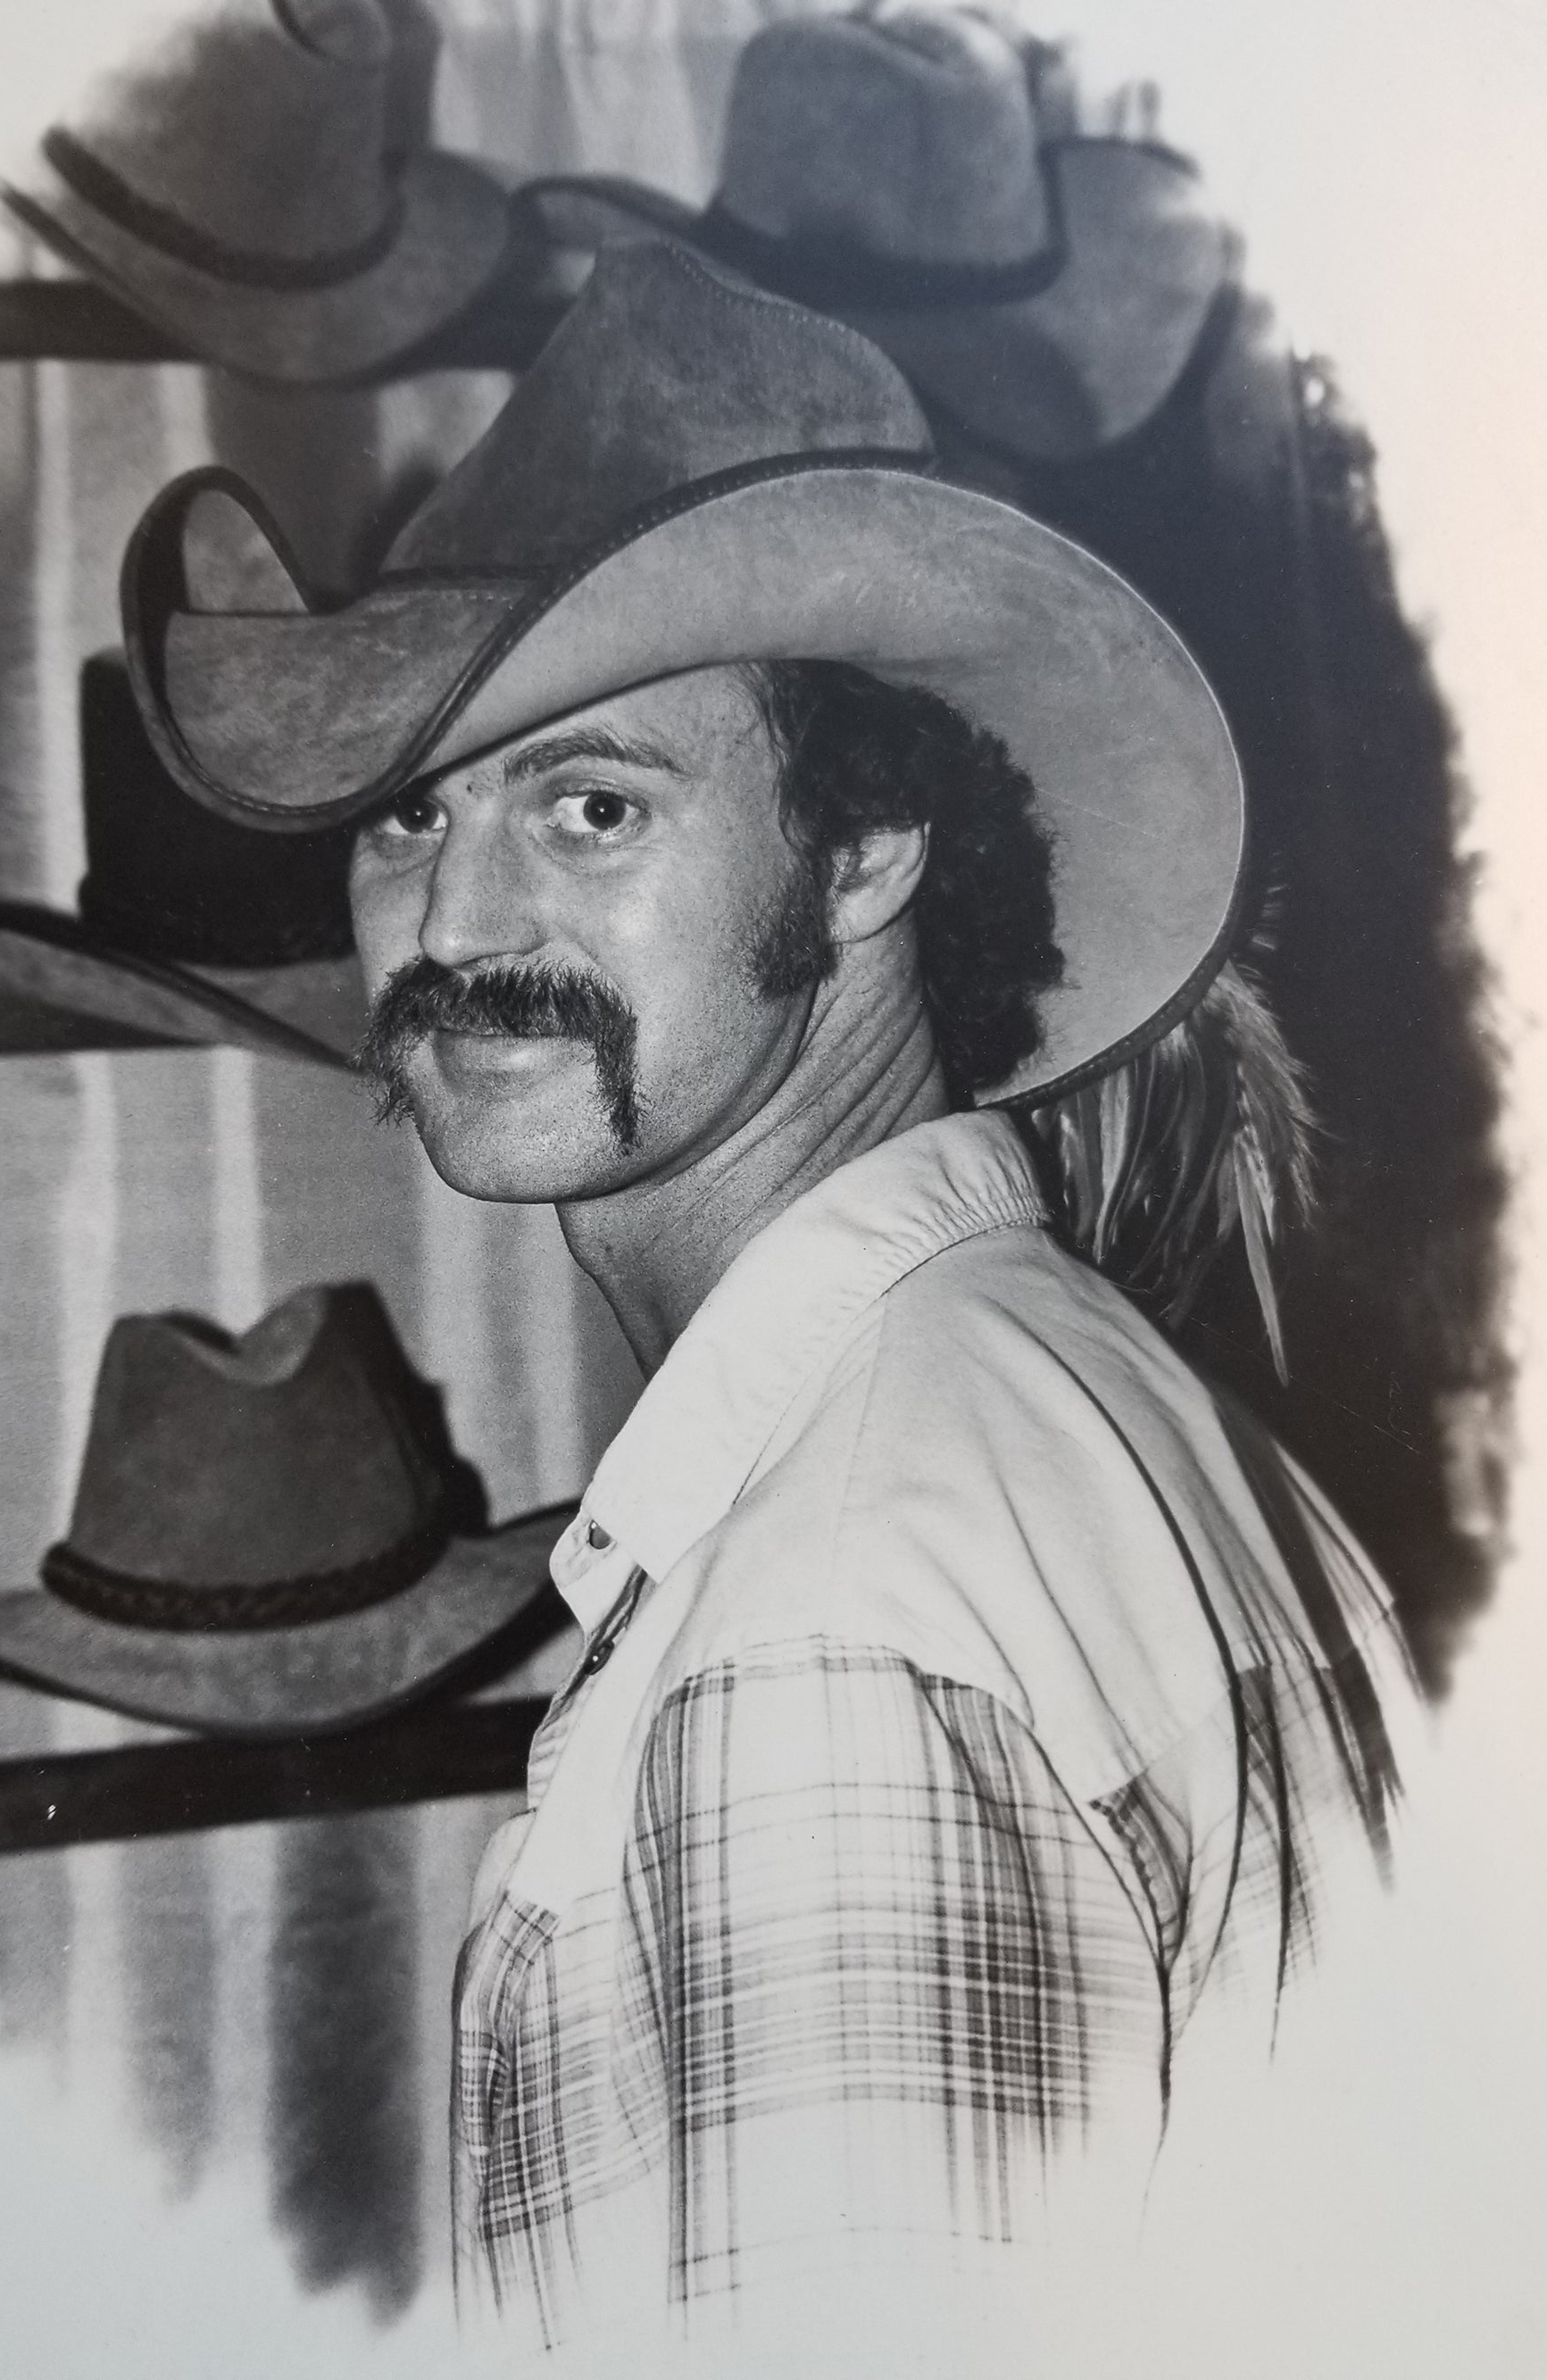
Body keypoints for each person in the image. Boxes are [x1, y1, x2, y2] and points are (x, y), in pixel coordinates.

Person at [124, 242, 1415, 2359]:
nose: (449, 922)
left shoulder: (823, 1622)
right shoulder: (1031, 1392)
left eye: (593, 805)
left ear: (865, 849)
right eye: (404, 816)